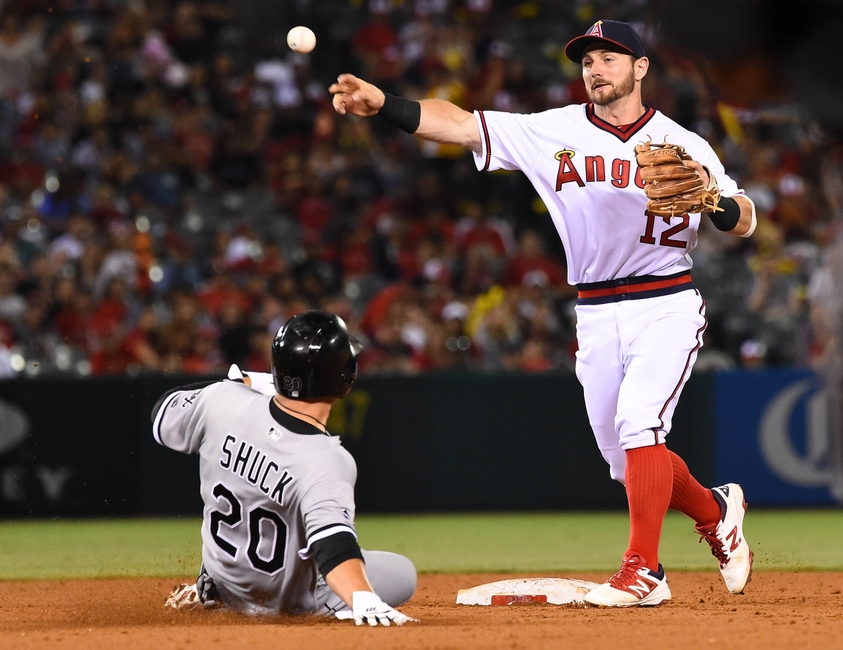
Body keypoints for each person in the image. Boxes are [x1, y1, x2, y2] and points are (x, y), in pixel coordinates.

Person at [330, 19, 755, 607]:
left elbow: (746, 218)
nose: (596, 69)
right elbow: (459, 124)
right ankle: (716, 511)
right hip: (595, 309)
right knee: (626, 461)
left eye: (610, 58)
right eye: (588, 60)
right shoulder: (551, 131)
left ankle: (643, 572)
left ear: (640, 68)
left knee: (640, 425)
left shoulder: (684, 142)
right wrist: (385, 105)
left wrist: (714, 201)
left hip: (665, 301)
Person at [152, 310, 418, 624]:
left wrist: (251, 383)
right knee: (404, 573)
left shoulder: (221, 400)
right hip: (290, 606)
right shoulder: (326, 460)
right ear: (344, 378)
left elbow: (162, 413)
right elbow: (334, 545)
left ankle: (210, 588)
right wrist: (365, 600)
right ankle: (336, 607)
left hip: (225, 585)